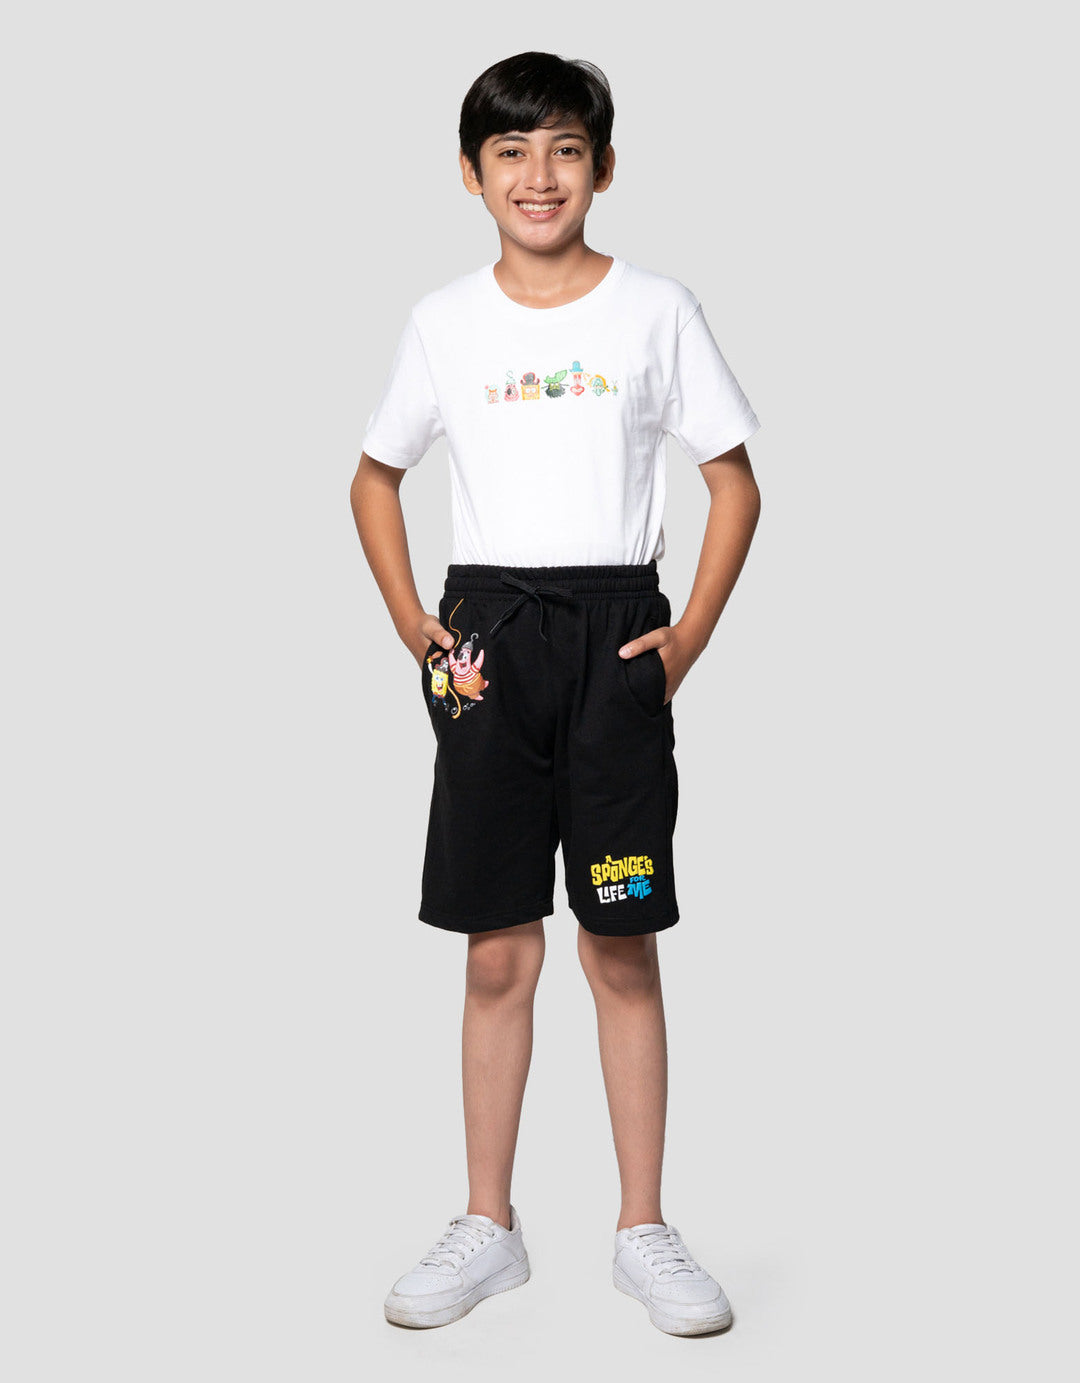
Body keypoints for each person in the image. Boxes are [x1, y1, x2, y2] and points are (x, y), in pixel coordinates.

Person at [349, 51, 761, 1337]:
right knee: (496, 949)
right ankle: (490, 1223)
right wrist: (416, 625)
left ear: (605, 167)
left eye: (566, 149)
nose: (540, 175)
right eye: (512, 152)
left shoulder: (656, 310)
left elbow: (733, 481)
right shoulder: (443, 323)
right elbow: (375, 475)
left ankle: (643, 1227)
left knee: (621, 940)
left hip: (616, 638)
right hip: (487, 644)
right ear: (471, 175)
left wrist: (684, 639)